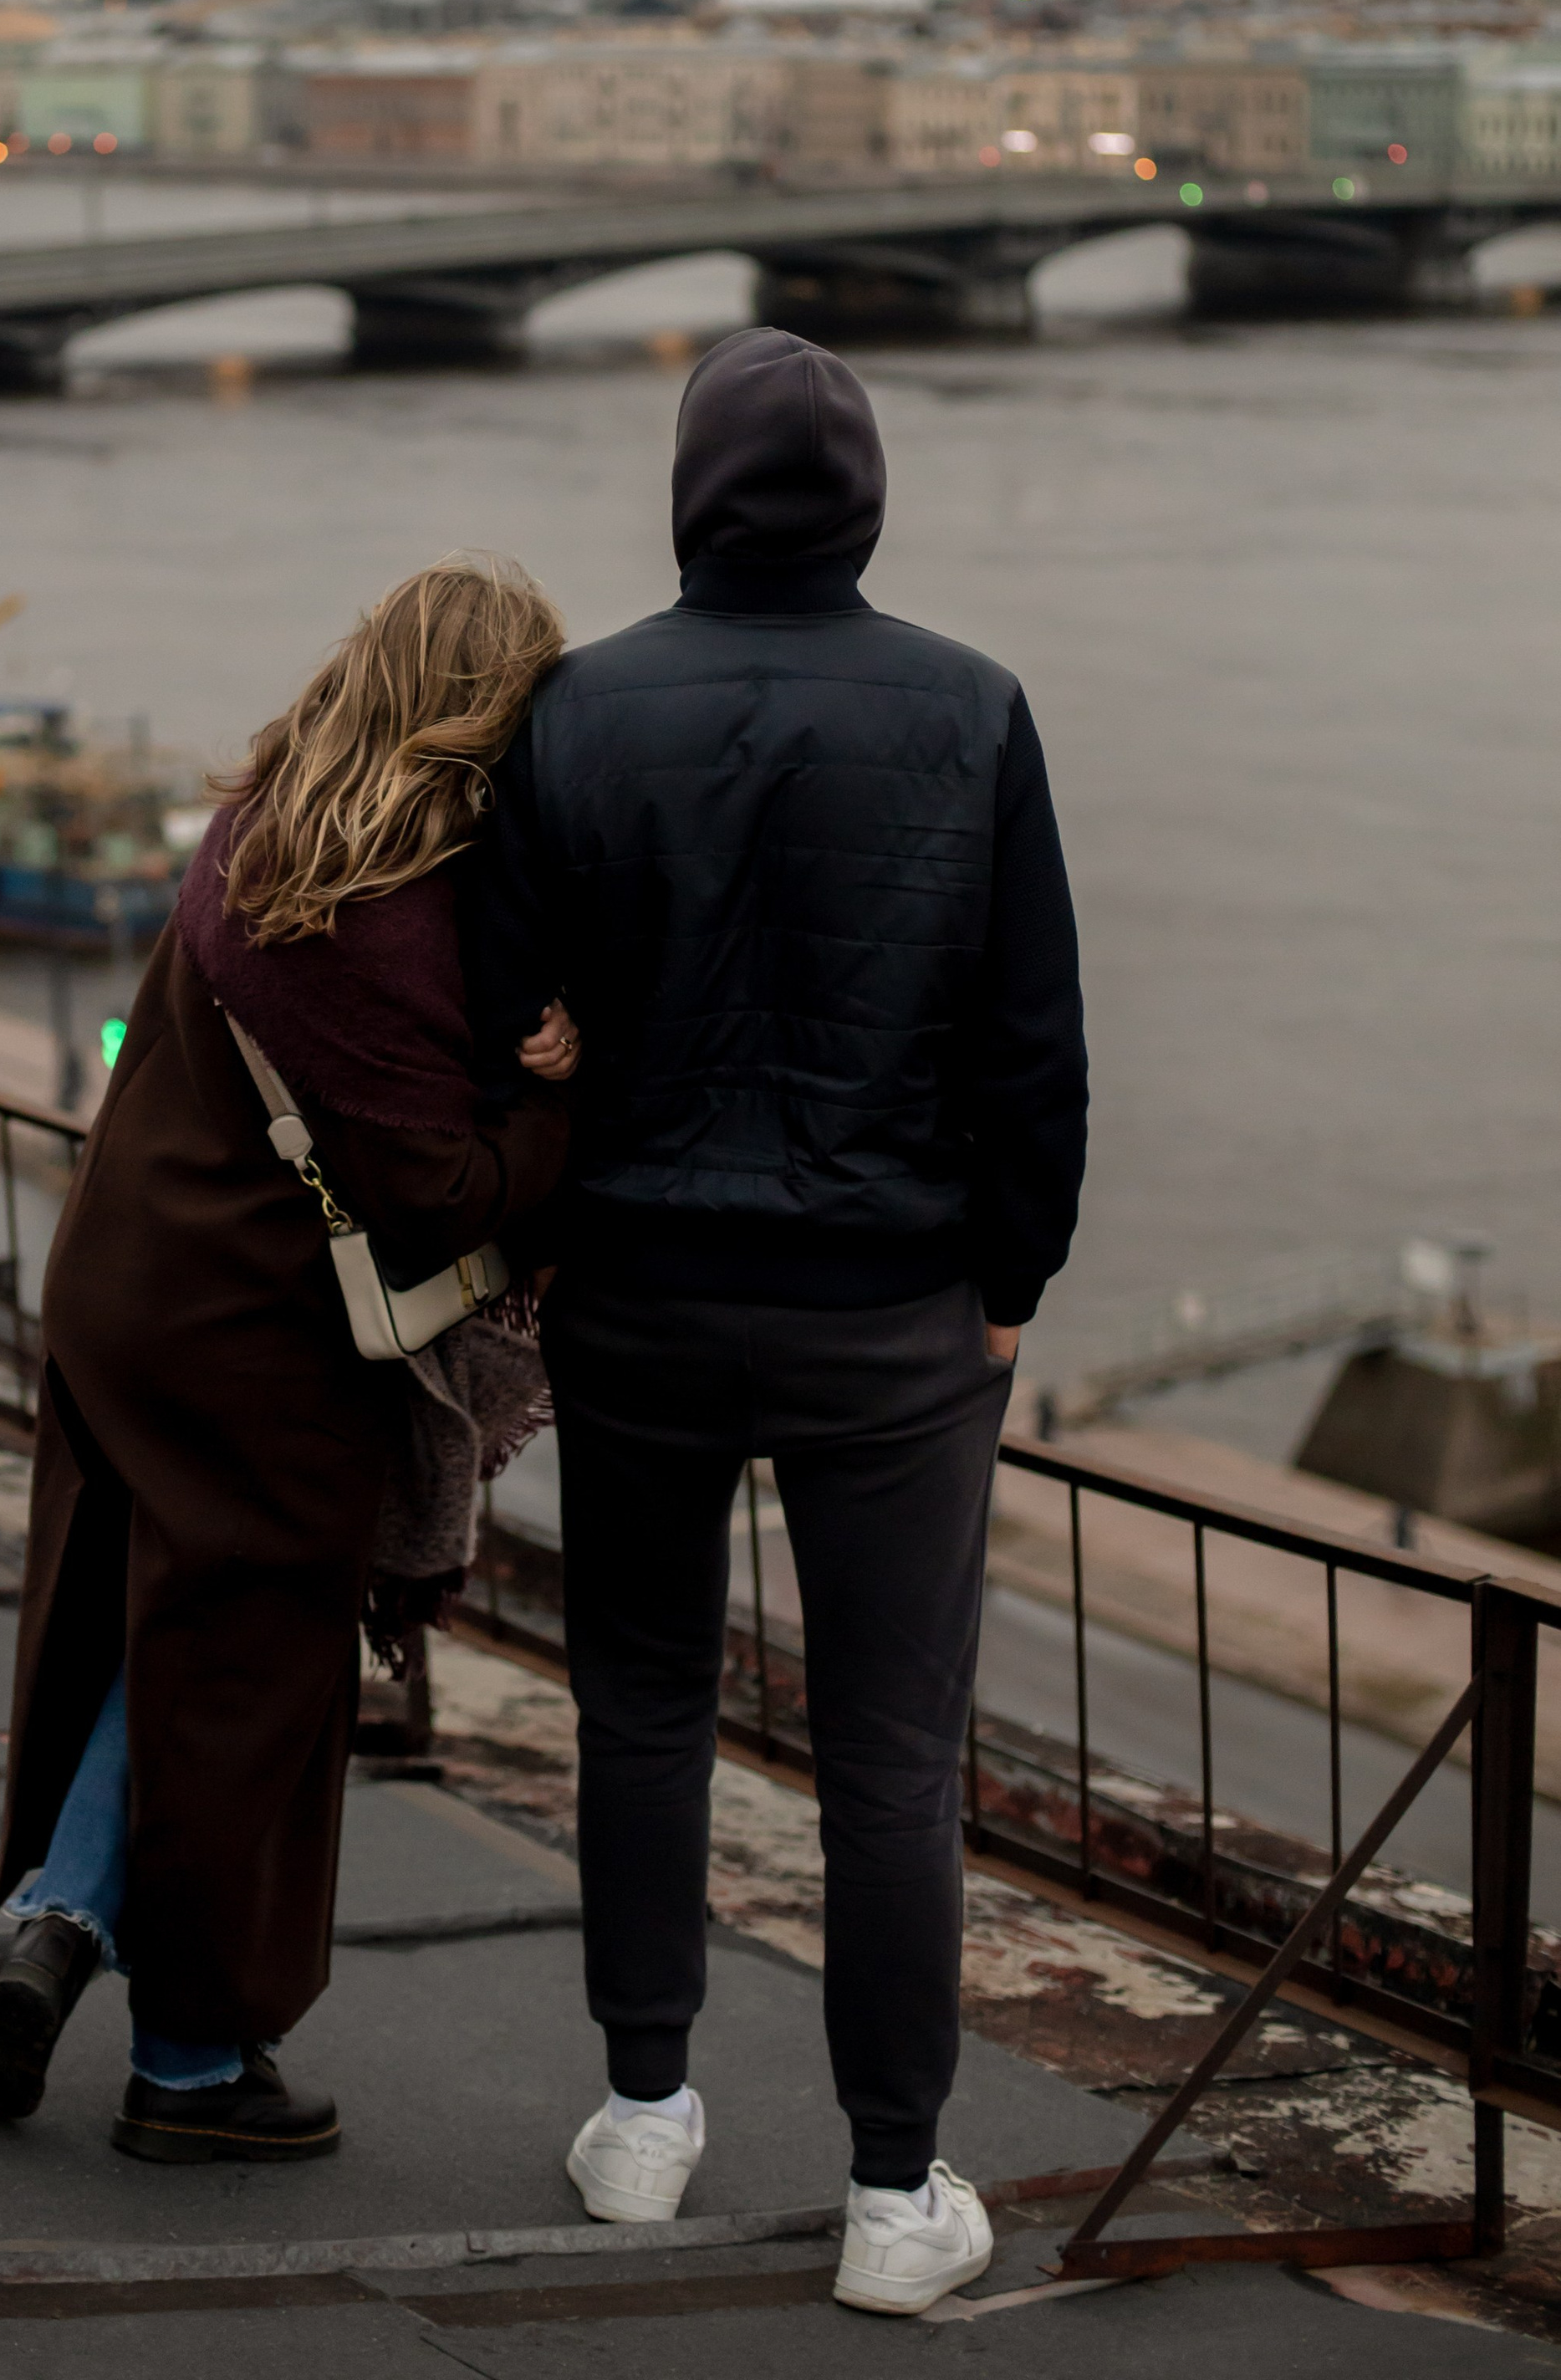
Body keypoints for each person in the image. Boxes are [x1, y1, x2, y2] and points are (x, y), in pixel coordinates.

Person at [466, 325, 1089, 2313]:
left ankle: (642, 2116)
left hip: (637, 1293)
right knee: (889, 1759)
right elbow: (1031, 1049)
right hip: (890, 1315)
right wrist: (1008, 1286)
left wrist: (556, 1181)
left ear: (689, 495)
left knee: (640, 1710)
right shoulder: (971, 710)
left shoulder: (575, 710)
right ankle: (893, 2198)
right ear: (865, 501)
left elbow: (498, 1002)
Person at [0, 554, 576, 2162]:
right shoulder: (398, 915)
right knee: (249, 1682)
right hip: (256, 1344)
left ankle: (60, 1926)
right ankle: (192, 2069)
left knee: (170, 1638)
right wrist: (559, 1106)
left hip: (120, 1284)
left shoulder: (258, 826)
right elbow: (435, 1192)